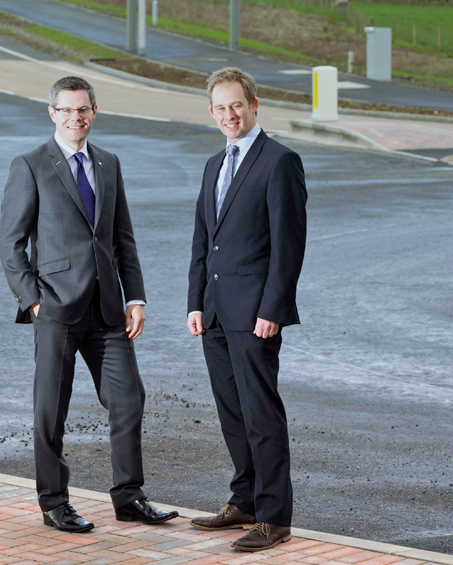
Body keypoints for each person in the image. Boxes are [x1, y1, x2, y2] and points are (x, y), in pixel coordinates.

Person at [0, 76, 177, 533]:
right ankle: (54, 502)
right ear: (52, 113)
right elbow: (11, 243)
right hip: (56, 308)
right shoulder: (31, 165)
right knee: (50, 410)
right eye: (66, 110)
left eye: (83, 110)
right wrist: (34, 302)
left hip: (108, 309)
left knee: (128, 398)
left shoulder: (109, 163)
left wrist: (134, 296)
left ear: (94, 112)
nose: (75, 118)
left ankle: (128, 496)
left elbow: (121, 238)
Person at [186, 67, 307, 551]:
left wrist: (274, 307)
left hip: (256, 313)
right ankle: (246, 500)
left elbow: (288, 245)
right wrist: (195, 302)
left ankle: (274, 517)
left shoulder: (280, 161)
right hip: (215, 313)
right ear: (211, 111)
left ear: (254, 105)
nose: (229, 115)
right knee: (232, 413)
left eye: (237, 104)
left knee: (261, 415)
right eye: (220, 107)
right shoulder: (215, 163)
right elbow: (203, 242)